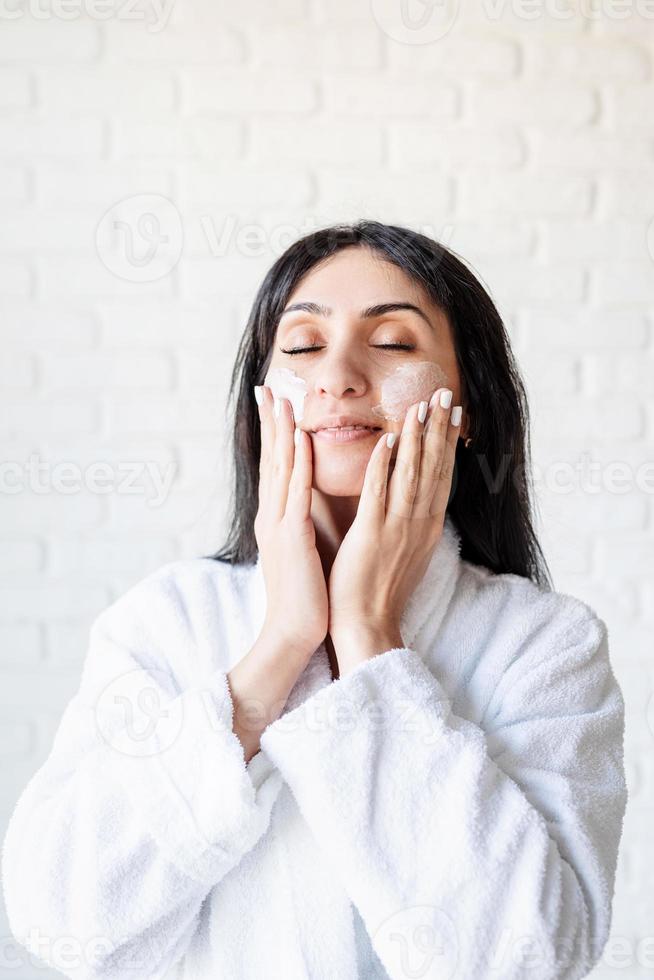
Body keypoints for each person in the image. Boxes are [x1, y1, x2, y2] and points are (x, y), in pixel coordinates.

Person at [2, 221, 627, 979]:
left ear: (470, 409)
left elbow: (526, 959)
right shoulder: (167, 621)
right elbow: (63, 919)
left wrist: (368, 634)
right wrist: (280, 646)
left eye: (394, 343)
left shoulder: (544, 644)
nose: (337, 377)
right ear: (260, 405)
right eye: (302, 346)